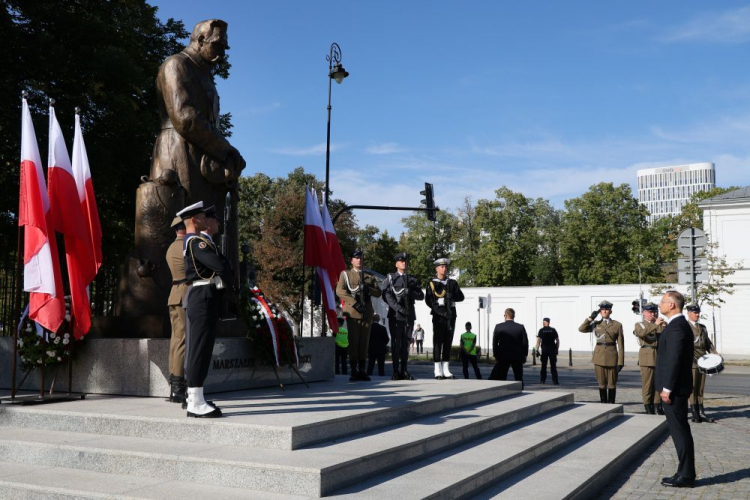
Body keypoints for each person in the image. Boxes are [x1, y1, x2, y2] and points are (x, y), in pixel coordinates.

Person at [180, 201, 234, 418]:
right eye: (202, 216)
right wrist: (225, 270)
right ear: (194, 220)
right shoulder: (195, 242)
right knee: (199, 349)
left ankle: (197, 397)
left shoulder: (197, 241)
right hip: (201, 296)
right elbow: (220, 266)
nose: (206, 219)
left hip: (206, 296)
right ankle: (194, 400)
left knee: (203, 348)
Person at [657, 290, 696, 488]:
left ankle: (687, 475)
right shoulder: (676, 325)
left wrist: (667, 388)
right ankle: (684, 471)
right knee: (679, 430)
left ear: (672, 305)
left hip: (674, 389)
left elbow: (674, 360)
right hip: (675, 387)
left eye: (663, 301)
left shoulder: (677, 327)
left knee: (680, 431)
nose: (660, 304)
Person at [336, 248, 382, 381]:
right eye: (356, 258)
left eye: (361, 258)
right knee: (354, 342)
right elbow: (340, 291)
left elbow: (378, 293)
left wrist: (369, 289)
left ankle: (362, 369)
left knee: (364, 343)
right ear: (352, 261)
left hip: (367, 313)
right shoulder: (346, 274)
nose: (359, 260)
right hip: (353, 312)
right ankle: (354, 370)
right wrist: (353, 302)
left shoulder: (369, 276)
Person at [381, 252, 424, 380]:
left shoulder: (412, 279)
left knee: (405, 344)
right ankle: (395, 371)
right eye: (401, 261)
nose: (404, 263)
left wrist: (411, 292)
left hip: (409, 315)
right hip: (395, 315)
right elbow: (386, 294)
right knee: (396, 343)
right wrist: (397, 307)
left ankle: (404, 370)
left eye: (405, 261)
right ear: (396, 264)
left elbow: (421, 295)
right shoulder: (391, 278)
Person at [425, 257, 465, 380]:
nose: (444, 268)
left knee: (448, 341)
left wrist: (451, 296)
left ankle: (446, 368)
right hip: (438, 317)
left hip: (451, 316)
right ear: (436, 268)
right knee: (438, 342)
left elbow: (461, 297)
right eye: (442, 267)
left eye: (446, 267)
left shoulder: (452, 283)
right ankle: (437, 369)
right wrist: (440, 312)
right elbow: (429, 301)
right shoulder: (432, 284)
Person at [578, 301, 624, 404]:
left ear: (610, 311)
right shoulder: (596, 324)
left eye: (606, 309)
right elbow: (581, 329)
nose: (604, 311)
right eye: (602, 310)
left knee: (612, 383)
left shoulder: (617, 325)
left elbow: (621, 345)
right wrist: (590, 318)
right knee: (602, 383)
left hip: (612, 356)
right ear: (600, 311)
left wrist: (621, 361)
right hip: (599, 356)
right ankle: (603, 403)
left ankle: (612, 403)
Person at [166, 216, 188, 405]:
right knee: (182, 340)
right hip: (185, 294)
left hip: (175, 294)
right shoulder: (185, 246)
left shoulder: (172, 246)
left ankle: (174, 383)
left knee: (176, 340)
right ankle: (179, 386)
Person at [686, 304, 718, 423]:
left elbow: (708, 344)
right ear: (689, 313)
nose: (697, 315)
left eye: (698, 312)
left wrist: (715, 355)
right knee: (693, 387)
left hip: (703, 360)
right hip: (692, 361)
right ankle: (695, 413)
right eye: (695, 313)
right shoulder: (685, 327)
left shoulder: (702, 327)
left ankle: (701, 411)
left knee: (700, 387)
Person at [634, 302, 666, 415]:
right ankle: (648, 406)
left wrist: (665, 327)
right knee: (647, 384)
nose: (653, 314)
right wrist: (655, 325)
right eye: (650, 312)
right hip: (646, 356)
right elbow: (642, 333)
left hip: (659, 355)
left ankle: (658, 405)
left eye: (654, 312)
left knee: (659, 383)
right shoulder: (640, 324)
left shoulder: (660, 324)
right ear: (644, 313)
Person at [489, 308, 529, 387]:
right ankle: (520, 390)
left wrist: (495, 355)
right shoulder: (520, 327)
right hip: (517, 356)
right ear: (513, 316)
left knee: (501, 376)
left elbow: (495, 343)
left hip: (503, 356)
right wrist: (524, 355)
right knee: (518, 377)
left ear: (506, 315)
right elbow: (525, 342)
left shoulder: (498, 327)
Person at [535, 317, 559, 385]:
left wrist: (537, 350)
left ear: (545, 322)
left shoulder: (541, 330)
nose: (543, 323)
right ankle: (555, 381)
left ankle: (542, 380)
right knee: (553, 366)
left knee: (543, 366)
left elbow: (538, 341)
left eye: (544, 322)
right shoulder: (553, 330)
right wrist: (557, 349)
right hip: (552, 349)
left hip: (544, 350)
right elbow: (557, 340)